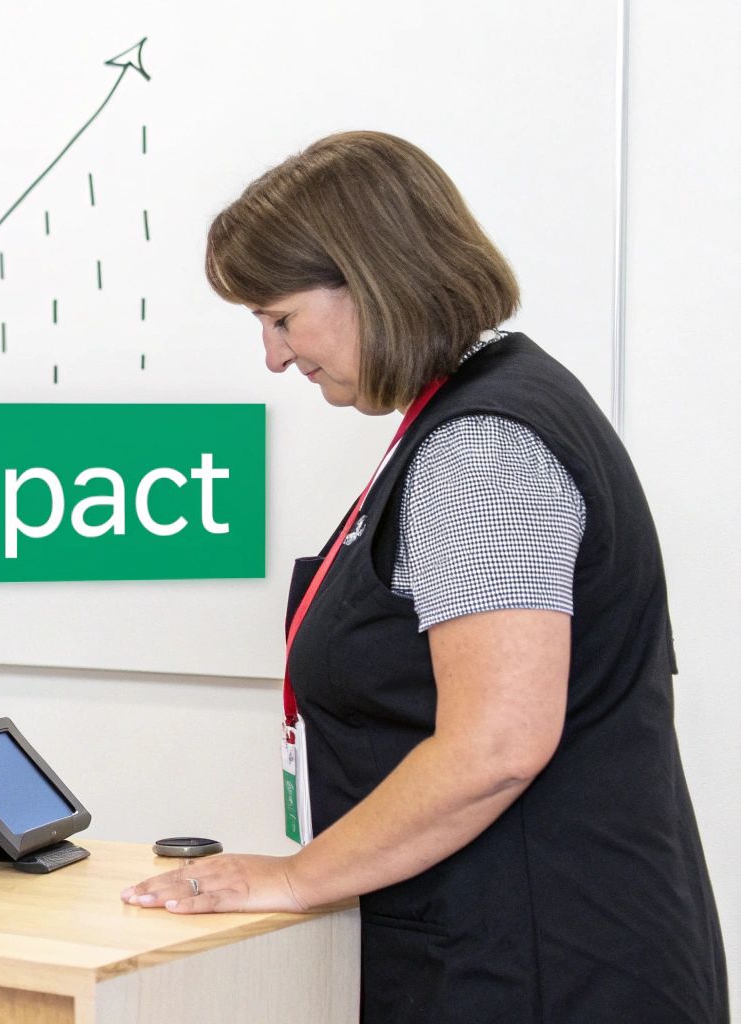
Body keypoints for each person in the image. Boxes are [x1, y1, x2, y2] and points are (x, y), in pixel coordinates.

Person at [122, 132, 727, 1021]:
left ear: (369, 281)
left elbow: (496, 745)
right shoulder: (478, 413)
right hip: (515, 946)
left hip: (544, 968)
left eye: (281, 317)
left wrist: (295, 880)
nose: (275, 356)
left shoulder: (484, 448)